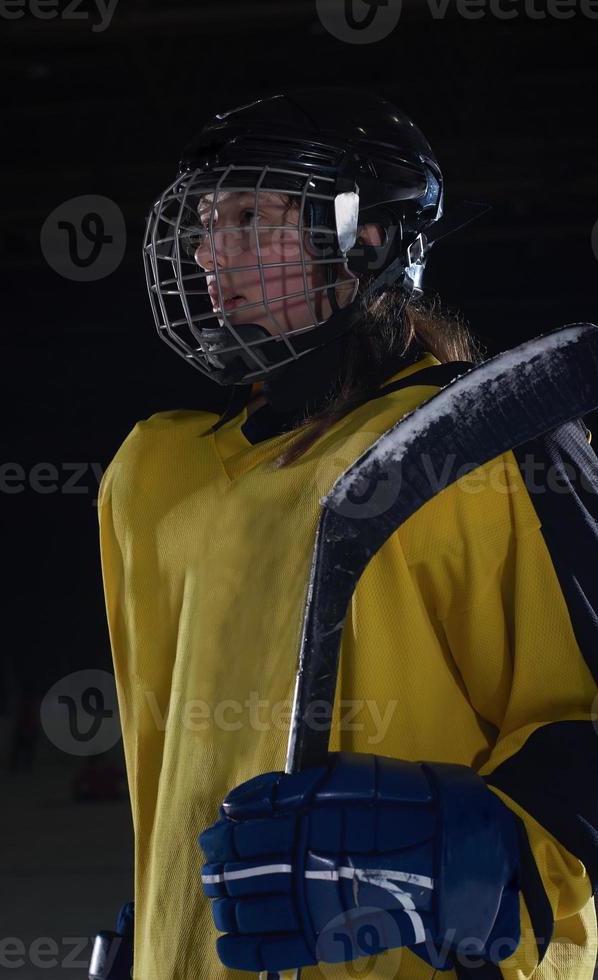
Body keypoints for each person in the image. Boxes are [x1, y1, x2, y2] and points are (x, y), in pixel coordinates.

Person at [95, 88, 597, 979]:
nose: (213, 252)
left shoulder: (475, 446)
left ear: (365, 235)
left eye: (250, 215)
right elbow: (173, 775)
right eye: (208, 223)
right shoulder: (153, 479)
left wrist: (459, 856)